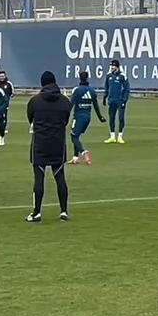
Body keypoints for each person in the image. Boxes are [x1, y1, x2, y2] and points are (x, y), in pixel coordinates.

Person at [26, 71, 73, 222]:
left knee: (39, 178)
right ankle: (64, 211)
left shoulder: (35, 101)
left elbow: (30, 118)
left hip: (40, 143)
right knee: (60, 177)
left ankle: (37, 212)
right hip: (58, 143)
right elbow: (65, 120)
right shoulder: (65, 101)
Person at [69, 70, 106, 164]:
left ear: (79, 78)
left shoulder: (77, 90)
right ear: (87, 78)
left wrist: (64, 116)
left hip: (78, 117)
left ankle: (83, 152)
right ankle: (75, 158)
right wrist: (100, 117)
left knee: (73, 136)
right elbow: (96, 105)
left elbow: (71, 104)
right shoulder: (92, 91)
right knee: (77, 135)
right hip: (87, 117)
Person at [103, 59, 130, 144]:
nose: (112, 67)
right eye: (111, 66)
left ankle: (120, 136)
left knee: (121, 118)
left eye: (113, 66)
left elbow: (126, 89)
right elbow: (106, 87)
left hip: (120, 100)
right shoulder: (109, 76)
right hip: (112, 100)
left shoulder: (123, 76)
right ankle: (112, 136)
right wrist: (105, 97)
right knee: (111, 118)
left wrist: (124, 100)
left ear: (117, 66)